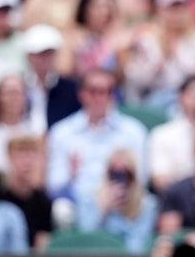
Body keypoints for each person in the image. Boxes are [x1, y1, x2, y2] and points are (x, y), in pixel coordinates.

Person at [45, 68, 147, 204]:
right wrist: (72, 175)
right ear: (81, 94)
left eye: (105, 92)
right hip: (77, 203)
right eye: (93, 91)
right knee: (61, 208)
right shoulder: (61, 133)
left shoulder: (133, 131)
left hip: (122, 203)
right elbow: (54, 185)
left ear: (113, 96)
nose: (99, 98)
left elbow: (141, 180)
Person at [1, 134, 53, 252]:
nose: (27, 162)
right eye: (21, 156)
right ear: (9, 157)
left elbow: (42, 244)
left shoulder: (43, 201)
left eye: (32, 155)